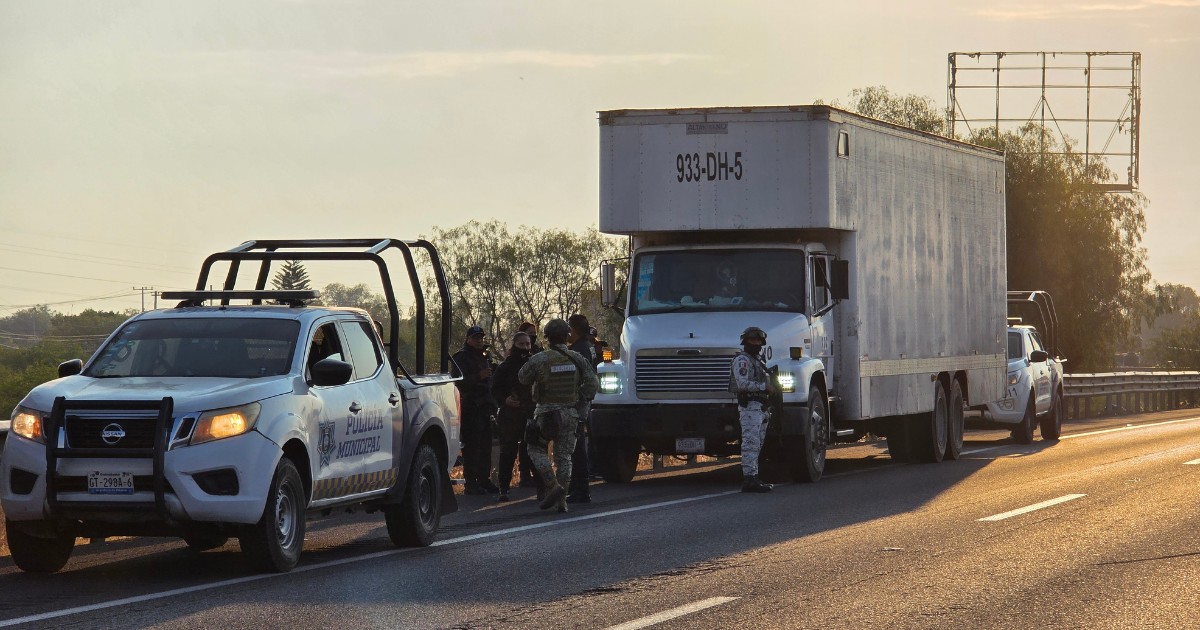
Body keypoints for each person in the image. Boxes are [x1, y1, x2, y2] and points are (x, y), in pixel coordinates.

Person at [519, 318, 599, 513]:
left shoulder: (540, 359)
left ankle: (552, 484)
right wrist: (580, 401)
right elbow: (592, 384)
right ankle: (561, 501)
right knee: (564, 457)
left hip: (546, 413)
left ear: (547, 338)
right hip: (570, 414)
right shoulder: (577, 358)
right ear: (567, 335)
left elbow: (522, 377)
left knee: (535, 449)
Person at [490, 331, 539, 502]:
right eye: (521, 344)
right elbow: (494, 389)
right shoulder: (506, 366)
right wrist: (505, 400)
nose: (525, 347)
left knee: (534, 450)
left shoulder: (535, 364)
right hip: (510, 415)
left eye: (527, 344)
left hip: (531, 412)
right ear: (514, 345)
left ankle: (541, 485)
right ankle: (504, 487)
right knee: (508, 452)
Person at [451, 325, 499, 495]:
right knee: (472, 448)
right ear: (468, 339)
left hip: (485, 406)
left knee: (486, 447)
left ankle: (484, 480)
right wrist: (479, 376)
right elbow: (458, 381)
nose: (479, 340)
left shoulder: (484, 356)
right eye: (476, 337)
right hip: (471, 406)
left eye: (481, 337)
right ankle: (471, 484)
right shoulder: (462, 357)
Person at [729, 326, 774, 493]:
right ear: (745, 342)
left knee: (757, 444)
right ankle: (749, 479)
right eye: (752, 340)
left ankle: (754, 476)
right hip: (750, 406)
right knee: (750, 443)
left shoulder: (757, 360)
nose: (755, 343)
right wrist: (764, 387)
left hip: (760, 406)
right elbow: (742, 384)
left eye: (758, 340)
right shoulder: (743, 360)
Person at [566, 314, 599, 503]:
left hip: (578, 403)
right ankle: (578, 486)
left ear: (574, 330)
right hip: (583, 401)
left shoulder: (579, 350)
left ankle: (581, 488)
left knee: (577, 448)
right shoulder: (587, 347)